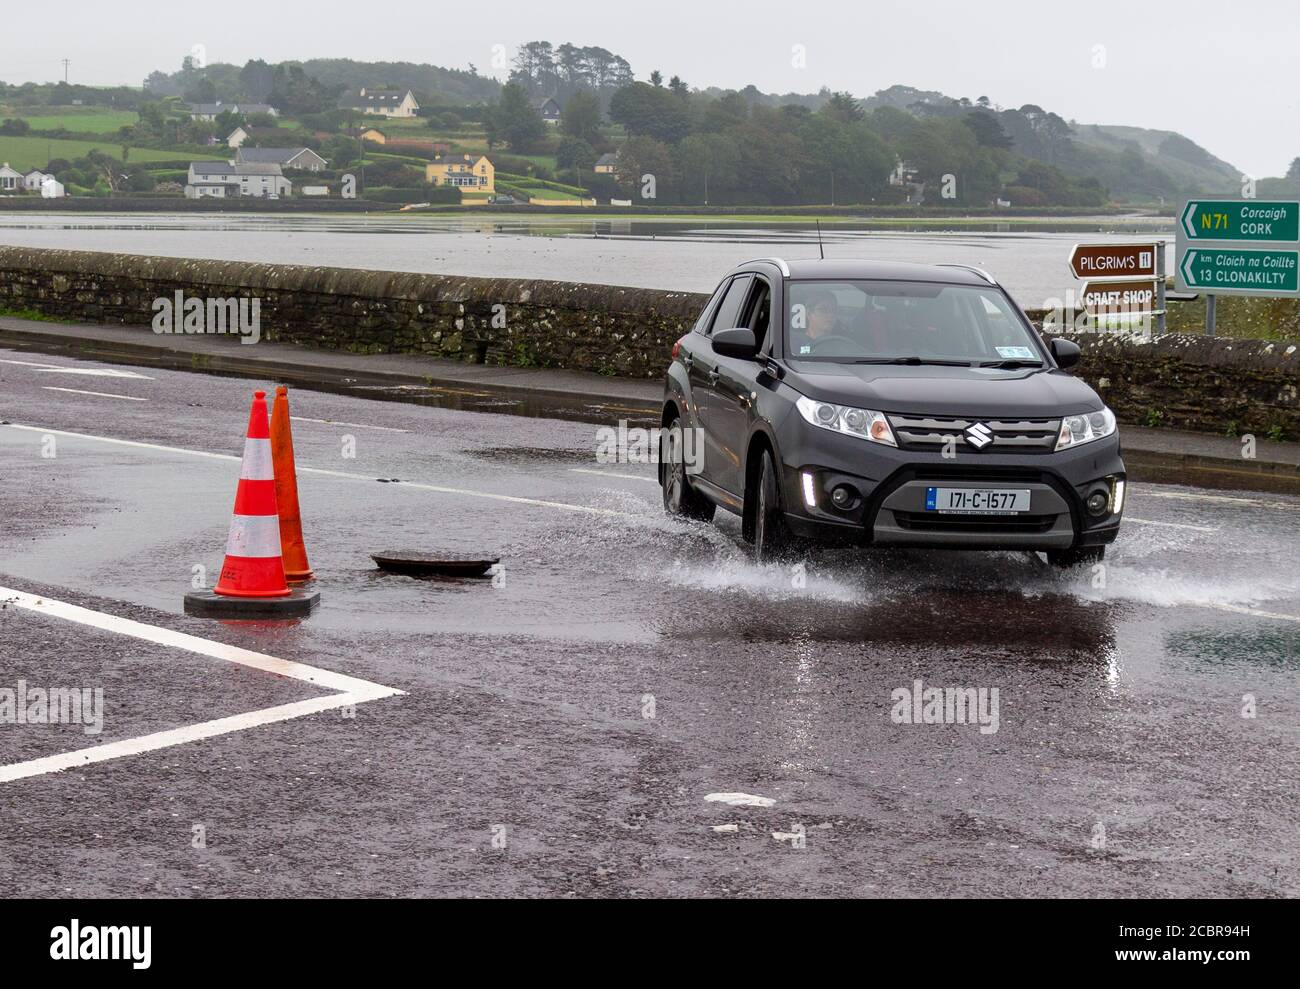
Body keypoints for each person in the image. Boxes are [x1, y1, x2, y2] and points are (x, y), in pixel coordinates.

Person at [790, 290, 839, 355]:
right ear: (809, 313)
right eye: (823, 310)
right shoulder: (793, 343)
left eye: (833, 310)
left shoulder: (840, 344)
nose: (830, 315)